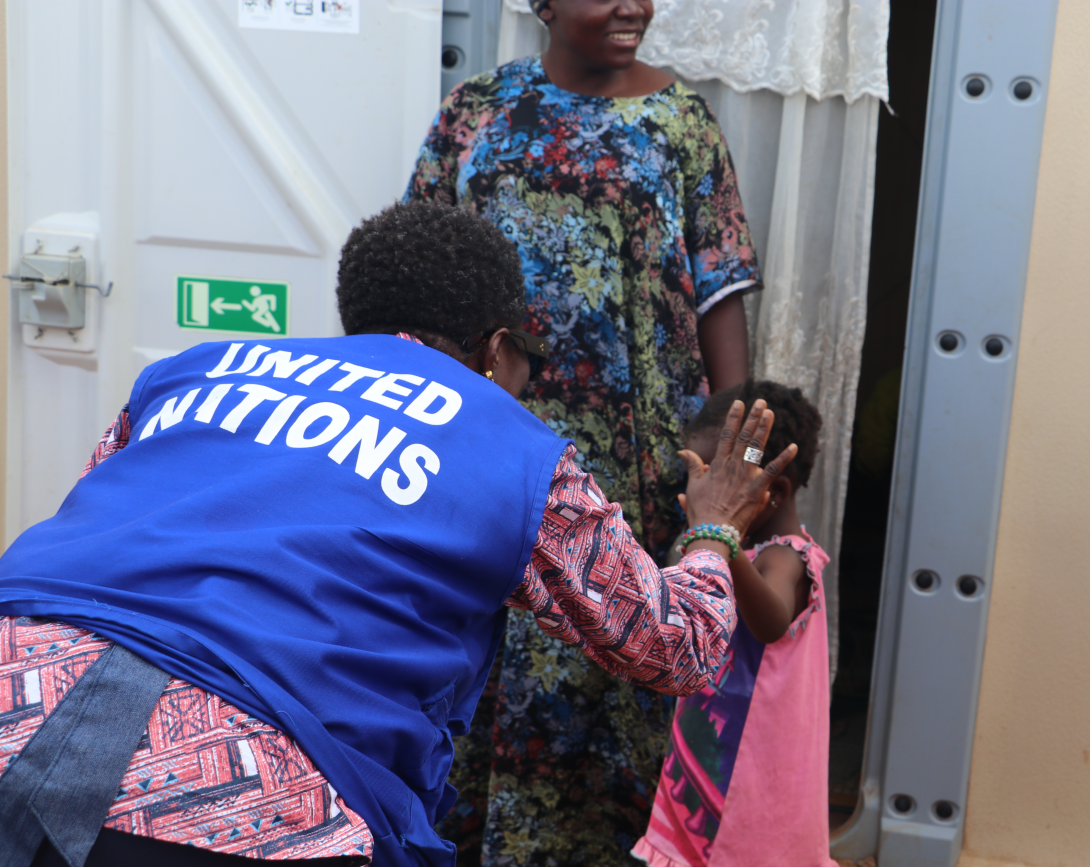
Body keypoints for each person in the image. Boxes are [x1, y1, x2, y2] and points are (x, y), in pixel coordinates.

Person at [0, 202, 792, 867]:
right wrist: (715, 527)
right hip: (248, 795)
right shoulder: (510, 445)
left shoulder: (191, 370)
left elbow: (92, 511)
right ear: (496, 349)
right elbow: (674, 646)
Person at [403, 1, 761, 863]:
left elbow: (721, 298)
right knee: (478, 655)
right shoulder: (476, 111)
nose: (635, 6)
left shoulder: (683, 122)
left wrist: (737, 455)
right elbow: (415, 278)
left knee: (615, 663)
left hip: (630, 467)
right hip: (484, 449)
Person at [633, 380, 837, 867]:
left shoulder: (788, 557)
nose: (700, 491)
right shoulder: (742, 550)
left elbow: (771, 621)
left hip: (751, 763)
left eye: (715, 478)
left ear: (774, 492)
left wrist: (719, 538)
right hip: (710, 747)